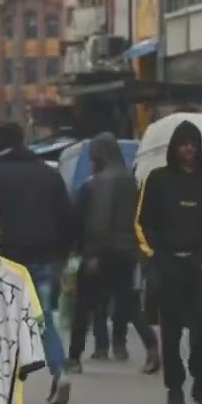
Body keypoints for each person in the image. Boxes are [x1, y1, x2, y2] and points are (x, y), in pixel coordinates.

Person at [135, 121, 202, 404]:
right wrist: (155, 257)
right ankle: (175, 387)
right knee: (171, 330)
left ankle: (201, 382)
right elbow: (141, 223)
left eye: (193, 143)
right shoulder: (156, 180)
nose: (188, 149)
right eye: (182, 144)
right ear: (174, 148)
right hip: (169, 267)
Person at [0, 122, 77, 404]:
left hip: (8, 259)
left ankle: (4, 386)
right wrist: (61, 252)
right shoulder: (48, 174)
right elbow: (67, 217)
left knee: (3, 321)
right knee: (42, 318)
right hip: (45, 257)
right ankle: (60, 371)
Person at [69, 132, 161, 375]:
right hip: (127, 252)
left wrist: (90, 253)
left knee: (84, 306)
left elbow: (96, 220)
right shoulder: (133, 183)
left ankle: (74, 356)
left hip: (101, 253)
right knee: (130, 303)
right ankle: (152, 347)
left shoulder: (95, 184)